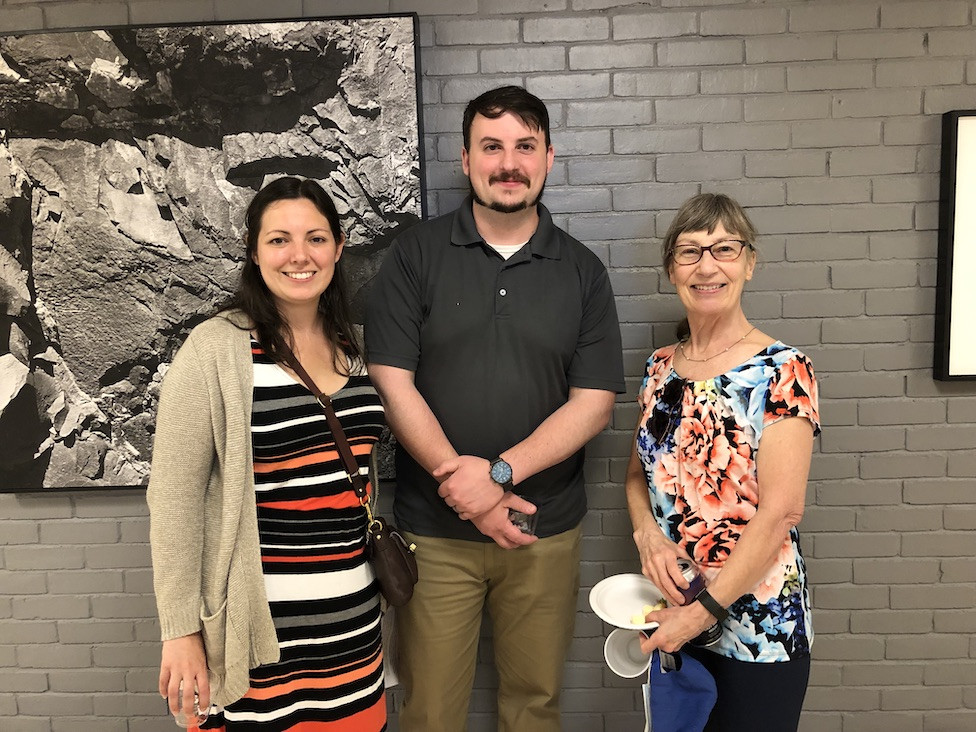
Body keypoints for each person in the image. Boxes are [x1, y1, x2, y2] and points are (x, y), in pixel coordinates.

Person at [365, 85, 625, 731]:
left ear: (547, 158)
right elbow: (392, 382)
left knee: (534, 708)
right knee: (430, 713)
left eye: (524, 147)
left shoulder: (582, 271)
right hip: (433, 535)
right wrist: (468, 490)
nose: (508, 162)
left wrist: (497, 477)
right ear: (466, 158)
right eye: (492, 146)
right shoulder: (416, 256)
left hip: (543, 530)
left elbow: (592, 404)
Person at [148, 177, 388, 731]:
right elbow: (174, 499)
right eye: (279, 240)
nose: (299, 255)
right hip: (254, 636)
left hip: (351, 631)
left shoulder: (356, 347)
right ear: (254, 254)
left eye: (316, 238)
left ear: (339, 247)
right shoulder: (215, 348)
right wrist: (180, 630)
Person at [626, 193, 819, 730]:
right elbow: (636, 475)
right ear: (671, 270)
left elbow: (782, 512)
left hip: (759, 629)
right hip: (673, 612)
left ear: (749, 263)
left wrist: (700, 615)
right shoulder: (659, 369)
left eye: (724, 249)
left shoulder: (784, 370)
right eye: (690, 252)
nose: (707, 266)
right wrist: (648, 536)